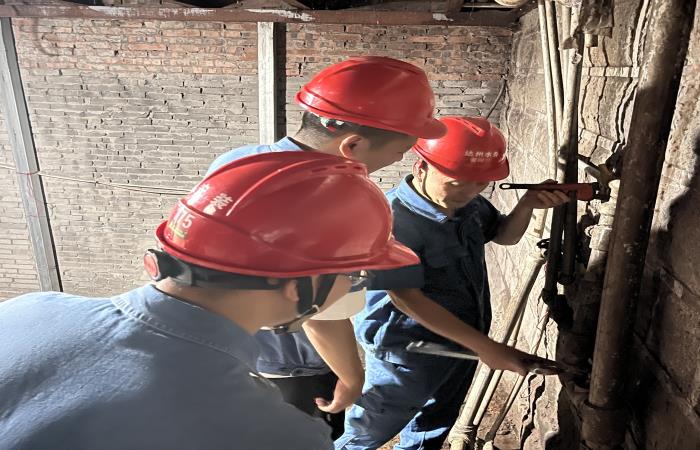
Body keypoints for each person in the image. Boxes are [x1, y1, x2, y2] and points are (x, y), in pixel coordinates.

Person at [0, 152, 420, 450]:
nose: (352, 289)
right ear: (302, 285)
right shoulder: (273, 434)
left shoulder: (29, 310)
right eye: (354, 276)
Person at [208, 55, 446, 437]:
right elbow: (320, 310)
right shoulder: (333, 201)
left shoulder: (238, 160)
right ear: (353, 145)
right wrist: (351, 376)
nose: (397, 160)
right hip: (295, 364)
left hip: (235, 350)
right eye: (398, 151)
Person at [336, 116, 570, 450]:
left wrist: (527, 204)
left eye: (480, 183)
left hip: (462, 340)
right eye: (458, 182)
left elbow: (503, 235)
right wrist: (487, 348)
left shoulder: (470, 205)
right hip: (408, 351)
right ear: (421, 168)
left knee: (435, 423)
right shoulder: (390, 221)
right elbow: (406, 297)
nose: (469, 192)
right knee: (370, 431)